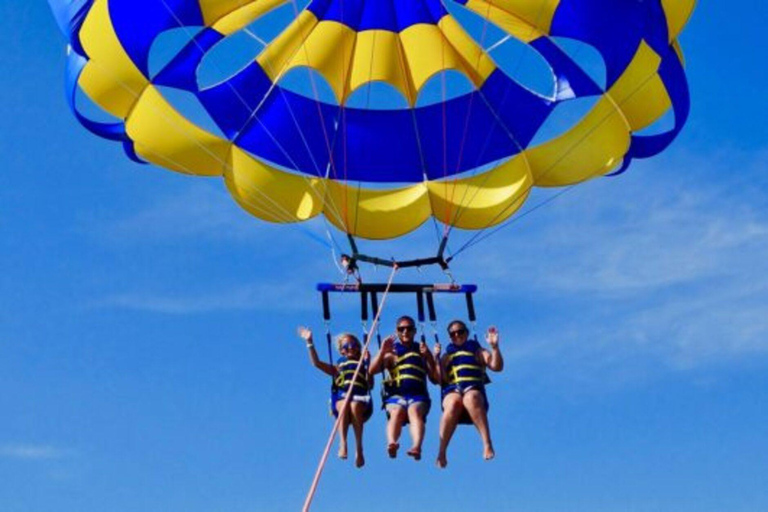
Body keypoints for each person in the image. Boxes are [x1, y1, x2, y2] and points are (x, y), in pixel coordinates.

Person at [297, 327, 373, 468]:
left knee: (354, 405)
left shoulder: (363, 364)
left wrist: (368, 365)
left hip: (361, 401)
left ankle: (359, 448)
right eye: (346, 346)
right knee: (345, 403)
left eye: (354, 345)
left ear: (359, 348)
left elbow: (370, 384)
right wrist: (310, 342)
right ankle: (343, 442)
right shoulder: (338, 367)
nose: (351, 348)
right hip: (342, 399)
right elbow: (317, 363)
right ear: (341, 350)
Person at [434, 320, 503, 468]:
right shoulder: (447, 355)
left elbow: (497, 367)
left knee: (471, 397)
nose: (457, 335)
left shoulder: (477, 350)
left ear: (467, 332)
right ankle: (442, 451)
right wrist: (436, 359)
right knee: (453, 402)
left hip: (473, 391)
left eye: (460, 332)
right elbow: (440, 380)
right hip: (453, 391)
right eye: (453, 334)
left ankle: (487, 443)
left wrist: (494, 347)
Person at [369, 316, 439, 461]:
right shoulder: (392, 352)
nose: (405, 331)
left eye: (409, 329)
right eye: (401, 329)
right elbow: (371, 370)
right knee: (397, 411)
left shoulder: (421, 350)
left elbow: (435, 379)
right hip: (396, 396)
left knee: (414, 411)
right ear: (397, 331)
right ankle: (392, 443)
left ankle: (417, 447)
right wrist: (382, 352)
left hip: (418, 396)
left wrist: (430, 356)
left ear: (414, 331)